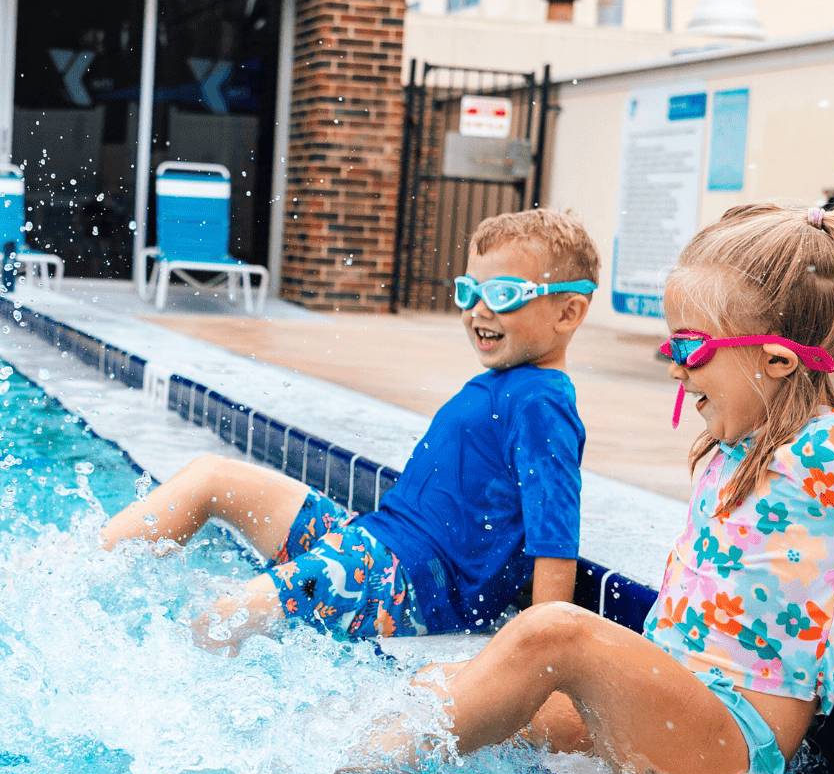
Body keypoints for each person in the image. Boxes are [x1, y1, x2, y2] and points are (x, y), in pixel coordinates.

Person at [369, 203, 834, 774]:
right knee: (448, 688)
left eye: (691, 349)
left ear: (779, 360)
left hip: (733, 737)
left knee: (552, 632)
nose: (675, 369)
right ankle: (342, 764)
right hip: (672, 698)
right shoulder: (742, 441)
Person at [101, 209, 601, 650]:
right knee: (213, 476)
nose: (478, 311)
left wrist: (534, 659)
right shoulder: (511, 383)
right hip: (377, 544)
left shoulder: (542, 403)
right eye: (469, 292)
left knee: (228, 614)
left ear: (569, 311)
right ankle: (86, 572)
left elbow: (554, 539)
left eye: (504, 294)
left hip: (410, 583)